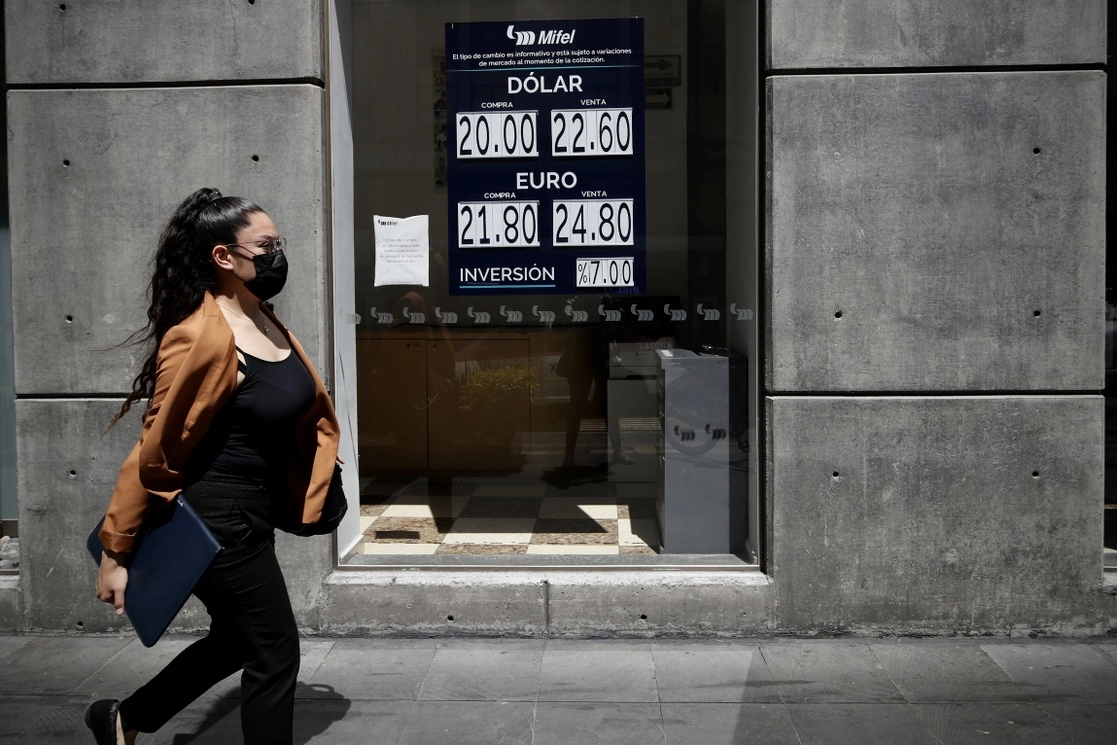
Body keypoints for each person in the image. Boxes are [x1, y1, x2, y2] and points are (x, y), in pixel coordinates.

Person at [86, 188, 341, 745]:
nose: (277, 255)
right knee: (275, 652)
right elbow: (153, 452)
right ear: (224, 257)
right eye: (265, 245)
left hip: (254, 511)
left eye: (280, 244)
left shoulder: (266, 319)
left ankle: (124, 719)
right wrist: (115, 553)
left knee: (237, 640)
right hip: (216, 516)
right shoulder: (199, 335)